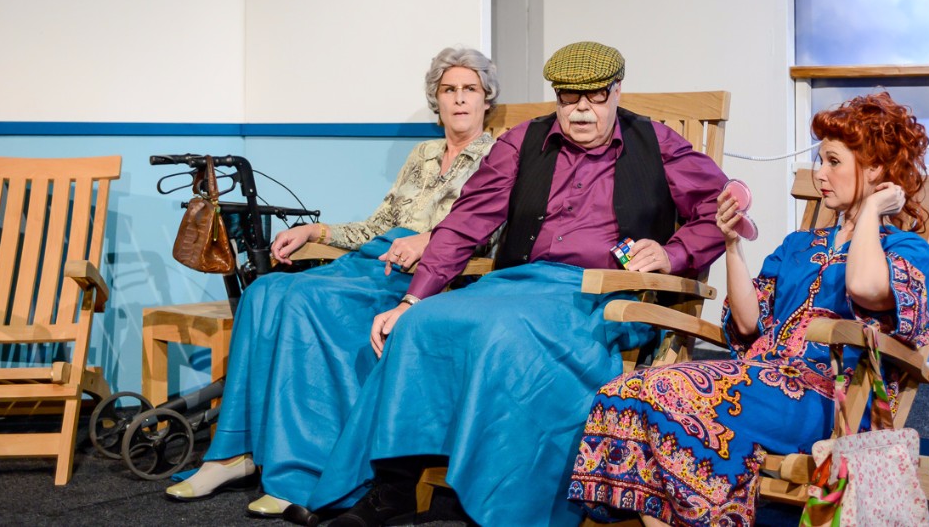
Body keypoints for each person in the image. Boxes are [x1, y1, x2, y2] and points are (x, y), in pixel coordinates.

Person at [301, 41, 729, 527]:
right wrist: (413, 298)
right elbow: (467, 220)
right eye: (568, 98)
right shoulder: (524, 141)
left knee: (503, 335)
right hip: (514, 283)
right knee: (422, 324)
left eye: (595, 97)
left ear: (616, 91)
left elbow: (723, 209)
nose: (581, 110)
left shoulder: (655, 142)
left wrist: (673, 253)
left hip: (602, 295)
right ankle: (393, 488)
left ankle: (491, 506)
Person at [567, 92, 929, 527]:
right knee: (624, 392)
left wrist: (871, 210)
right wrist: (732, 243)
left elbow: (864, 286)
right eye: (819, 160)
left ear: (874, 169)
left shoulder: (905, 249)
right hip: (760, 381)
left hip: (829, 401)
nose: (819, 173)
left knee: (668, 393)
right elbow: (747, 323)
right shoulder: (799, 245)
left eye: (834, 162)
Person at [164, 46, 500, 519]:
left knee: (304, 297)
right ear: (436, 99)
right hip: (373, 260)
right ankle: (234, 453)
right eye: (449, 90)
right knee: (263, 293)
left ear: (487, 99)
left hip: (426, 276)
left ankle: (301, 472)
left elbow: (487, 232)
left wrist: (431, 240)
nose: (460, 99)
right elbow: (376, 225)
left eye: (470, 89)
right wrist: (315, 231)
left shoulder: (500, 155)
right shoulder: (422, 154)